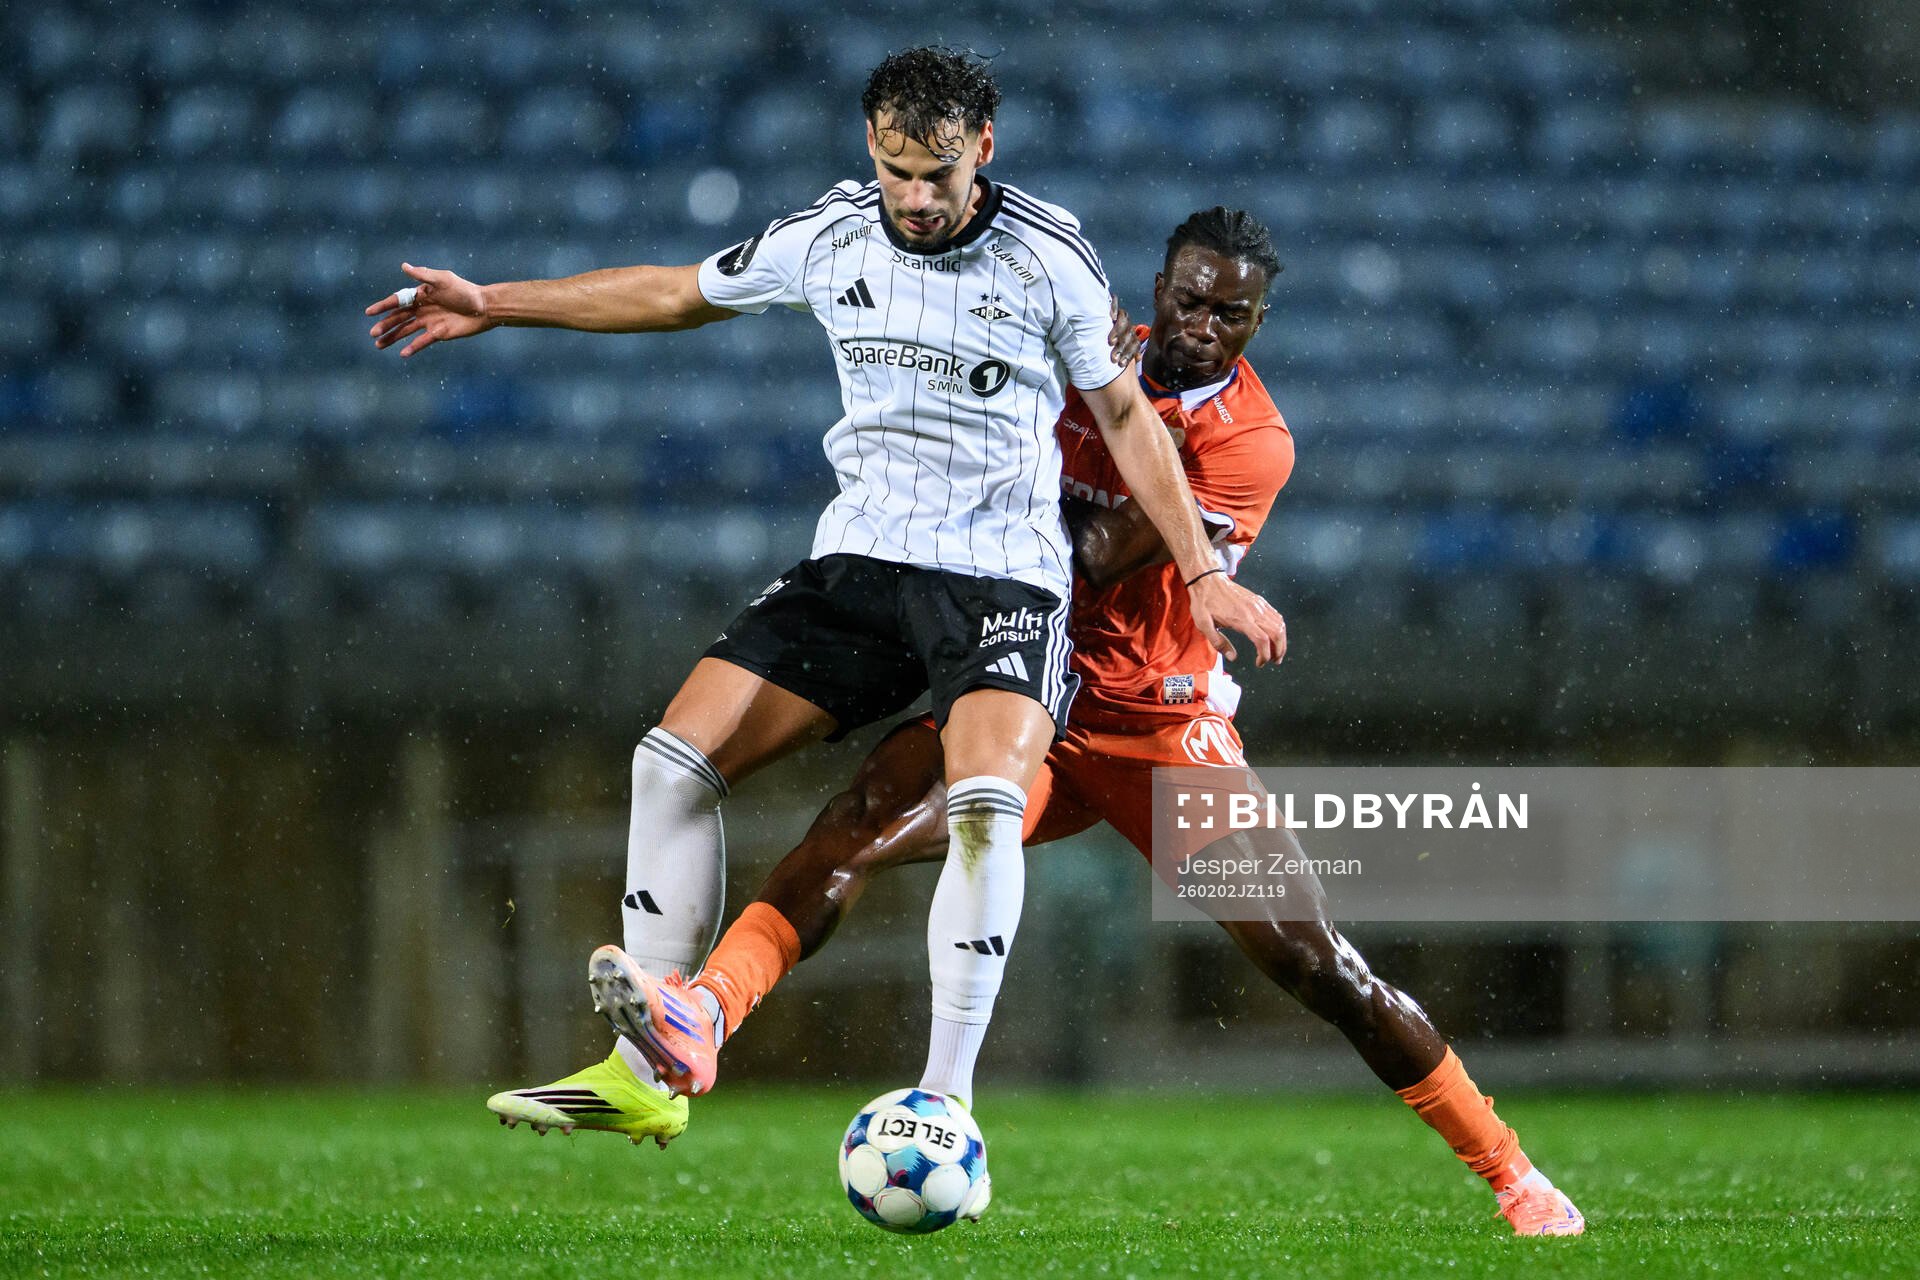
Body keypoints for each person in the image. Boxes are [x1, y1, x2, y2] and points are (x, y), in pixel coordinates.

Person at [545, 207, 1586, 1237]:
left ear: (1258, 323)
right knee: (853, 824)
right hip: (1020, 690)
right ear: (1159, 286)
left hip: (1154, 730)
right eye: (1188, 298)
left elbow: (1088, 550)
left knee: (1319, 967)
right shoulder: (1079, 354)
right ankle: (706, 1016)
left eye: (1232, 312)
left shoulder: (1249, 440)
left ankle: (1512, 1170)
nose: (1203, 324)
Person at [366, 49, 1284, 1148]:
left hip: (999, 575)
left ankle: (946, 1101)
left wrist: (1202, 572)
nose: (917, 197)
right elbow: (676, 291)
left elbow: (1130, 421)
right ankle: (651, 1059)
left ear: (982, 150)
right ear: (870, 149)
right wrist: (496, 303)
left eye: (938, 174)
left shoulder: (1051, 259)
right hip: (863, 562)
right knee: (669, 761)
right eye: (896, 170)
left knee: (986, 804)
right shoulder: (832, 234)